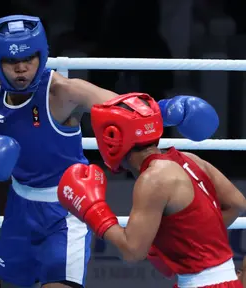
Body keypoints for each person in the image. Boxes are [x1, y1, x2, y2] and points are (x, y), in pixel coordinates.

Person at [0, 14, 220, 288]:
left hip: (66, 209)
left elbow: (125, 108)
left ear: (41, 55)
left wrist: (171, 112)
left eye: (29, 59)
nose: (22, 68)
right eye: (12, 61)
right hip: (18, 209)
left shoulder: (62, 92)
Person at [57, 92, 246, 287]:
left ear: (112, 137)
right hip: (225, 280)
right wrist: (190, 243)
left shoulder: (153, 179)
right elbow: (236, 204)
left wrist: (93, 211)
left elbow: (132, 252)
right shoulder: (189, 159)